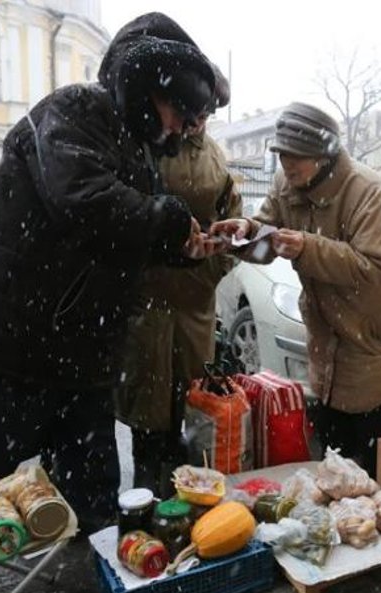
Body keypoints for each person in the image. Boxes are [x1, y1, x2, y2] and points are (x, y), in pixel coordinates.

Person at [0, 12, 221, 533]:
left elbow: (128, 230)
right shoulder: (75, 111)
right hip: (9, 350)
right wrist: (169, 219)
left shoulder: (136, 147)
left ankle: (94, 564)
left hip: (79, 356)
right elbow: (85, 201)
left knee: (93, 504)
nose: (185, 126)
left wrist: (186, 245)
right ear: (143, 86)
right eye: (180, 109)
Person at [210, 102, 381, 472]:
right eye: (282, 154)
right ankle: (337, 501)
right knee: (331, 438)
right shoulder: (286, 182)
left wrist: (308, 246)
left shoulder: (367, 191)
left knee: (367, 442)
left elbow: (370, 267)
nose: (287, 164)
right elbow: (267, 239)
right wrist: (245, 233)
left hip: (370, 325)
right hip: (327, 323)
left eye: (296, 156)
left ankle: (368, 505)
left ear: (323, 156)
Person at [116, 101, 241, 498]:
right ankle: (146, 489)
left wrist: (207, 269)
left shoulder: (215, 157)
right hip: (147, 300)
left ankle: (185, 490)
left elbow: (233, 226)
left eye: (208, 115)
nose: (199, 123)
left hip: (194, 302)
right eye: (195, 112)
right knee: (146, 403)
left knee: (190, 400)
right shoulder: (147, 144)